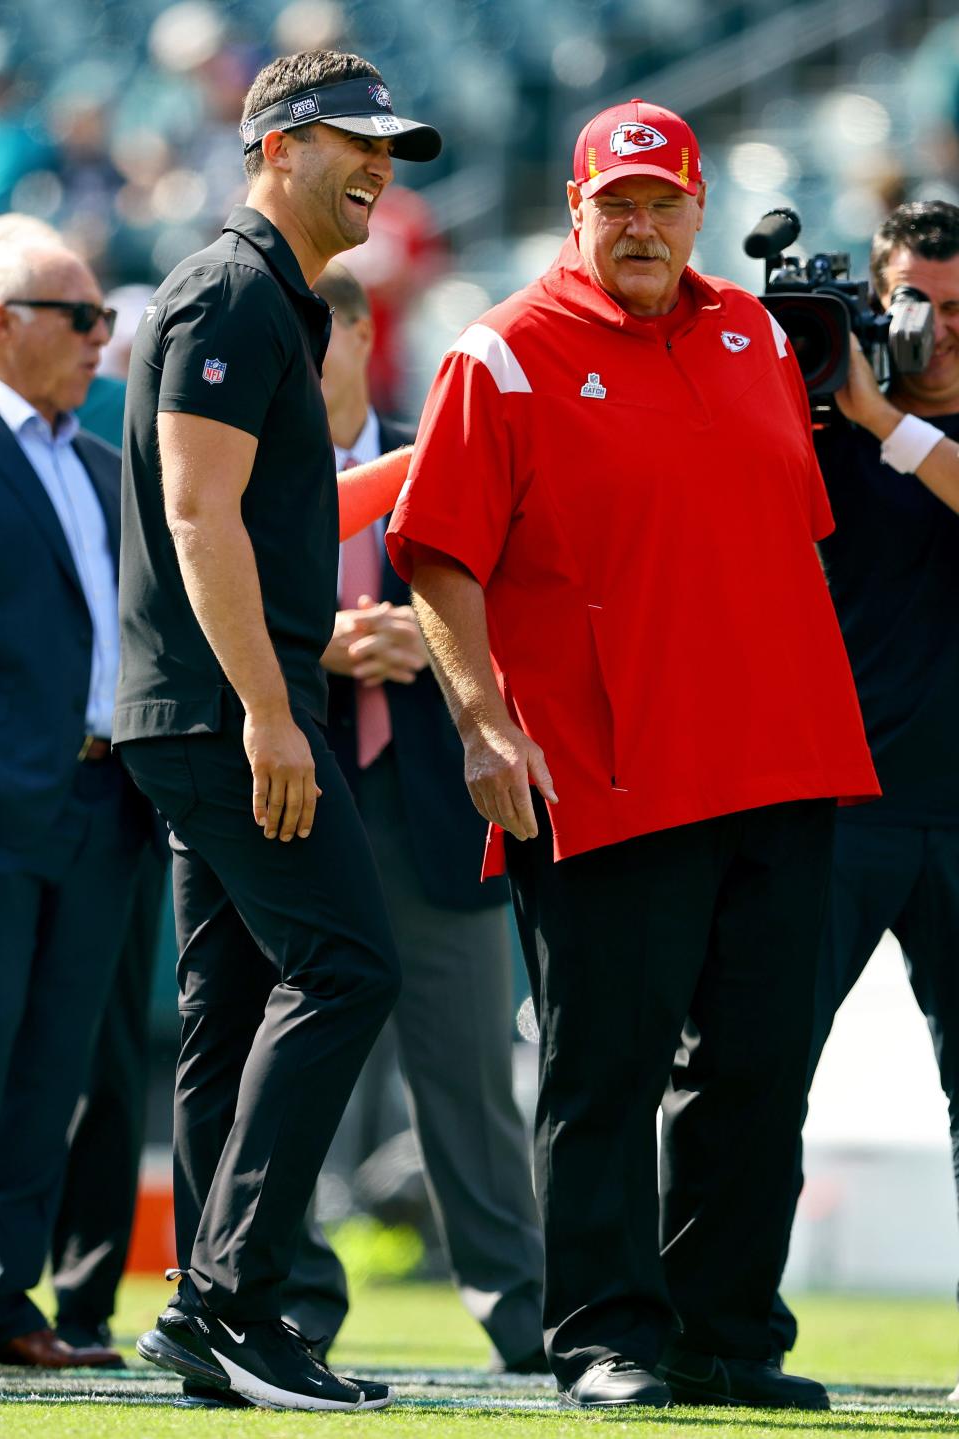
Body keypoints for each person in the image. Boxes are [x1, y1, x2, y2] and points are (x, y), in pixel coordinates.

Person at [387, 97, 880, 1411]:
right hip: (603, 767)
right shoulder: (501, 354)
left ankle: (725, 1329)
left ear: (700, 206)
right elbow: (438, 552)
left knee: (761, 1064)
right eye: (619, 205)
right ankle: (606, 1331)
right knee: (604, 1068)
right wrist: (486, 721)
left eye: (665, 203)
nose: (643, 226)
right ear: (576, 209)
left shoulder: (760, 336)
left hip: (783, 758)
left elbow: (790, 532)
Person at [116, 49, 441, 1413]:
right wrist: (270, 707)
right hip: (223, 708)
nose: (378, 166)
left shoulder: (270, 299)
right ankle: (233, 1296)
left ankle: (225, 1307)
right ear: (274, 145)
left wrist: (442, 455)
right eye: (353, 141)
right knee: (350, 965)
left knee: (238, 1001)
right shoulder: (237, 288)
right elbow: (201, 517)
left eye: (390, 147)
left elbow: (275, 511)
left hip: (217, 703)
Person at [278, 263, 545, 1374]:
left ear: (359, 333)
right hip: (296, 811)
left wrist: (426, 658)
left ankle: (527, 1314)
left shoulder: (449, 455)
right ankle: (283, 1308)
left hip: (439, 808)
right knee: (280, 1078)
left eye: (312, 338)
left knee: (475, 1081)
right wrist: (322, 646)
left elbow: (519, 617)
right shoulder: (245, 475)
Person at [767, 201, 959, 1395]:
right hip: (836, 800)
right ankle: (726, 1330)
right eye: (916, 302)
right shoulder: (818, 418)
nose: (935, 329)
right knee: (759, 1070)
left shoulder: (870, 420)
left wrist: (880, 416)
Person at [0, 226, 153, 1369]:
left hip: (104, 810)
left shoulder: (103, 465)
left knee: (53, 1067)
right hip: (8, 805)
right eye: (81, 318)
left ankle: (9, 1298)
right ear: (4, 321)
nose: (105, 340)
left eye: (105, 320)